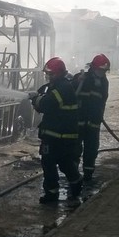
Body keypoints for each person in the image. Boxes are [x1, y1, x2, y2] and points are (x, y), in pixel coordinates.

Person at [31, 57, 83, 203]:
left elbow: (47, 104)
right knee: (65, 163)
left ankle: (52, 194)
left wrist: (35, 99)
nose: (49, 77)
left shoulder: (61, 88)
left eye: (51, 74)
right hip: (64, 135)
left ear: (59, 73)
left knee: (49, 163)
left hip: (56, 135)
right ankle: (76, 182)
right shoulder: (62, 85)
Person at [71, 54, 110, 183]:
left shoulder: (104, 82)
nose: (102, 73)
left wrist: (99, 117)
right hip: (78, 121)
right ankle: (74, 174)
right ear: (93, 68)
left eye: (104, 71)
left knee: (92, 149)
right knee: (75, 148)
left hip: (94, 122)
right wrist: (77, 81)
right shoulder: (82, 78)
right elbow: (71, 91)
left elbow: (103, 101)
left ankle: (88, 174)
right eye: (100, 70)